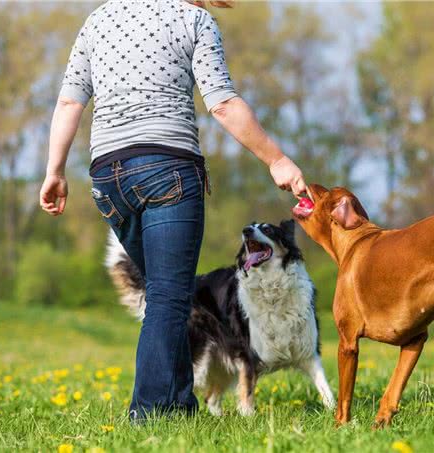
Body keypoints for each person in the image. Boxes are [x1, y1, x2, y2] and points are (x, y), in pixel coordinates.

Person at [39, 0, 307, 421]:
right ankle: (146, 413)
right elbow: (221, 102)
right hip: (168, 169)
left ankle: (180, 407)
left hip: (108, 177)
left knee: (170, 295)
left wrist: (55, 170)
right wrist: (275, 159)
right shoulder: (194, 19)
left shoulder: (99, 18)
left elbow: (70, 102)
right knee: (168, 297)